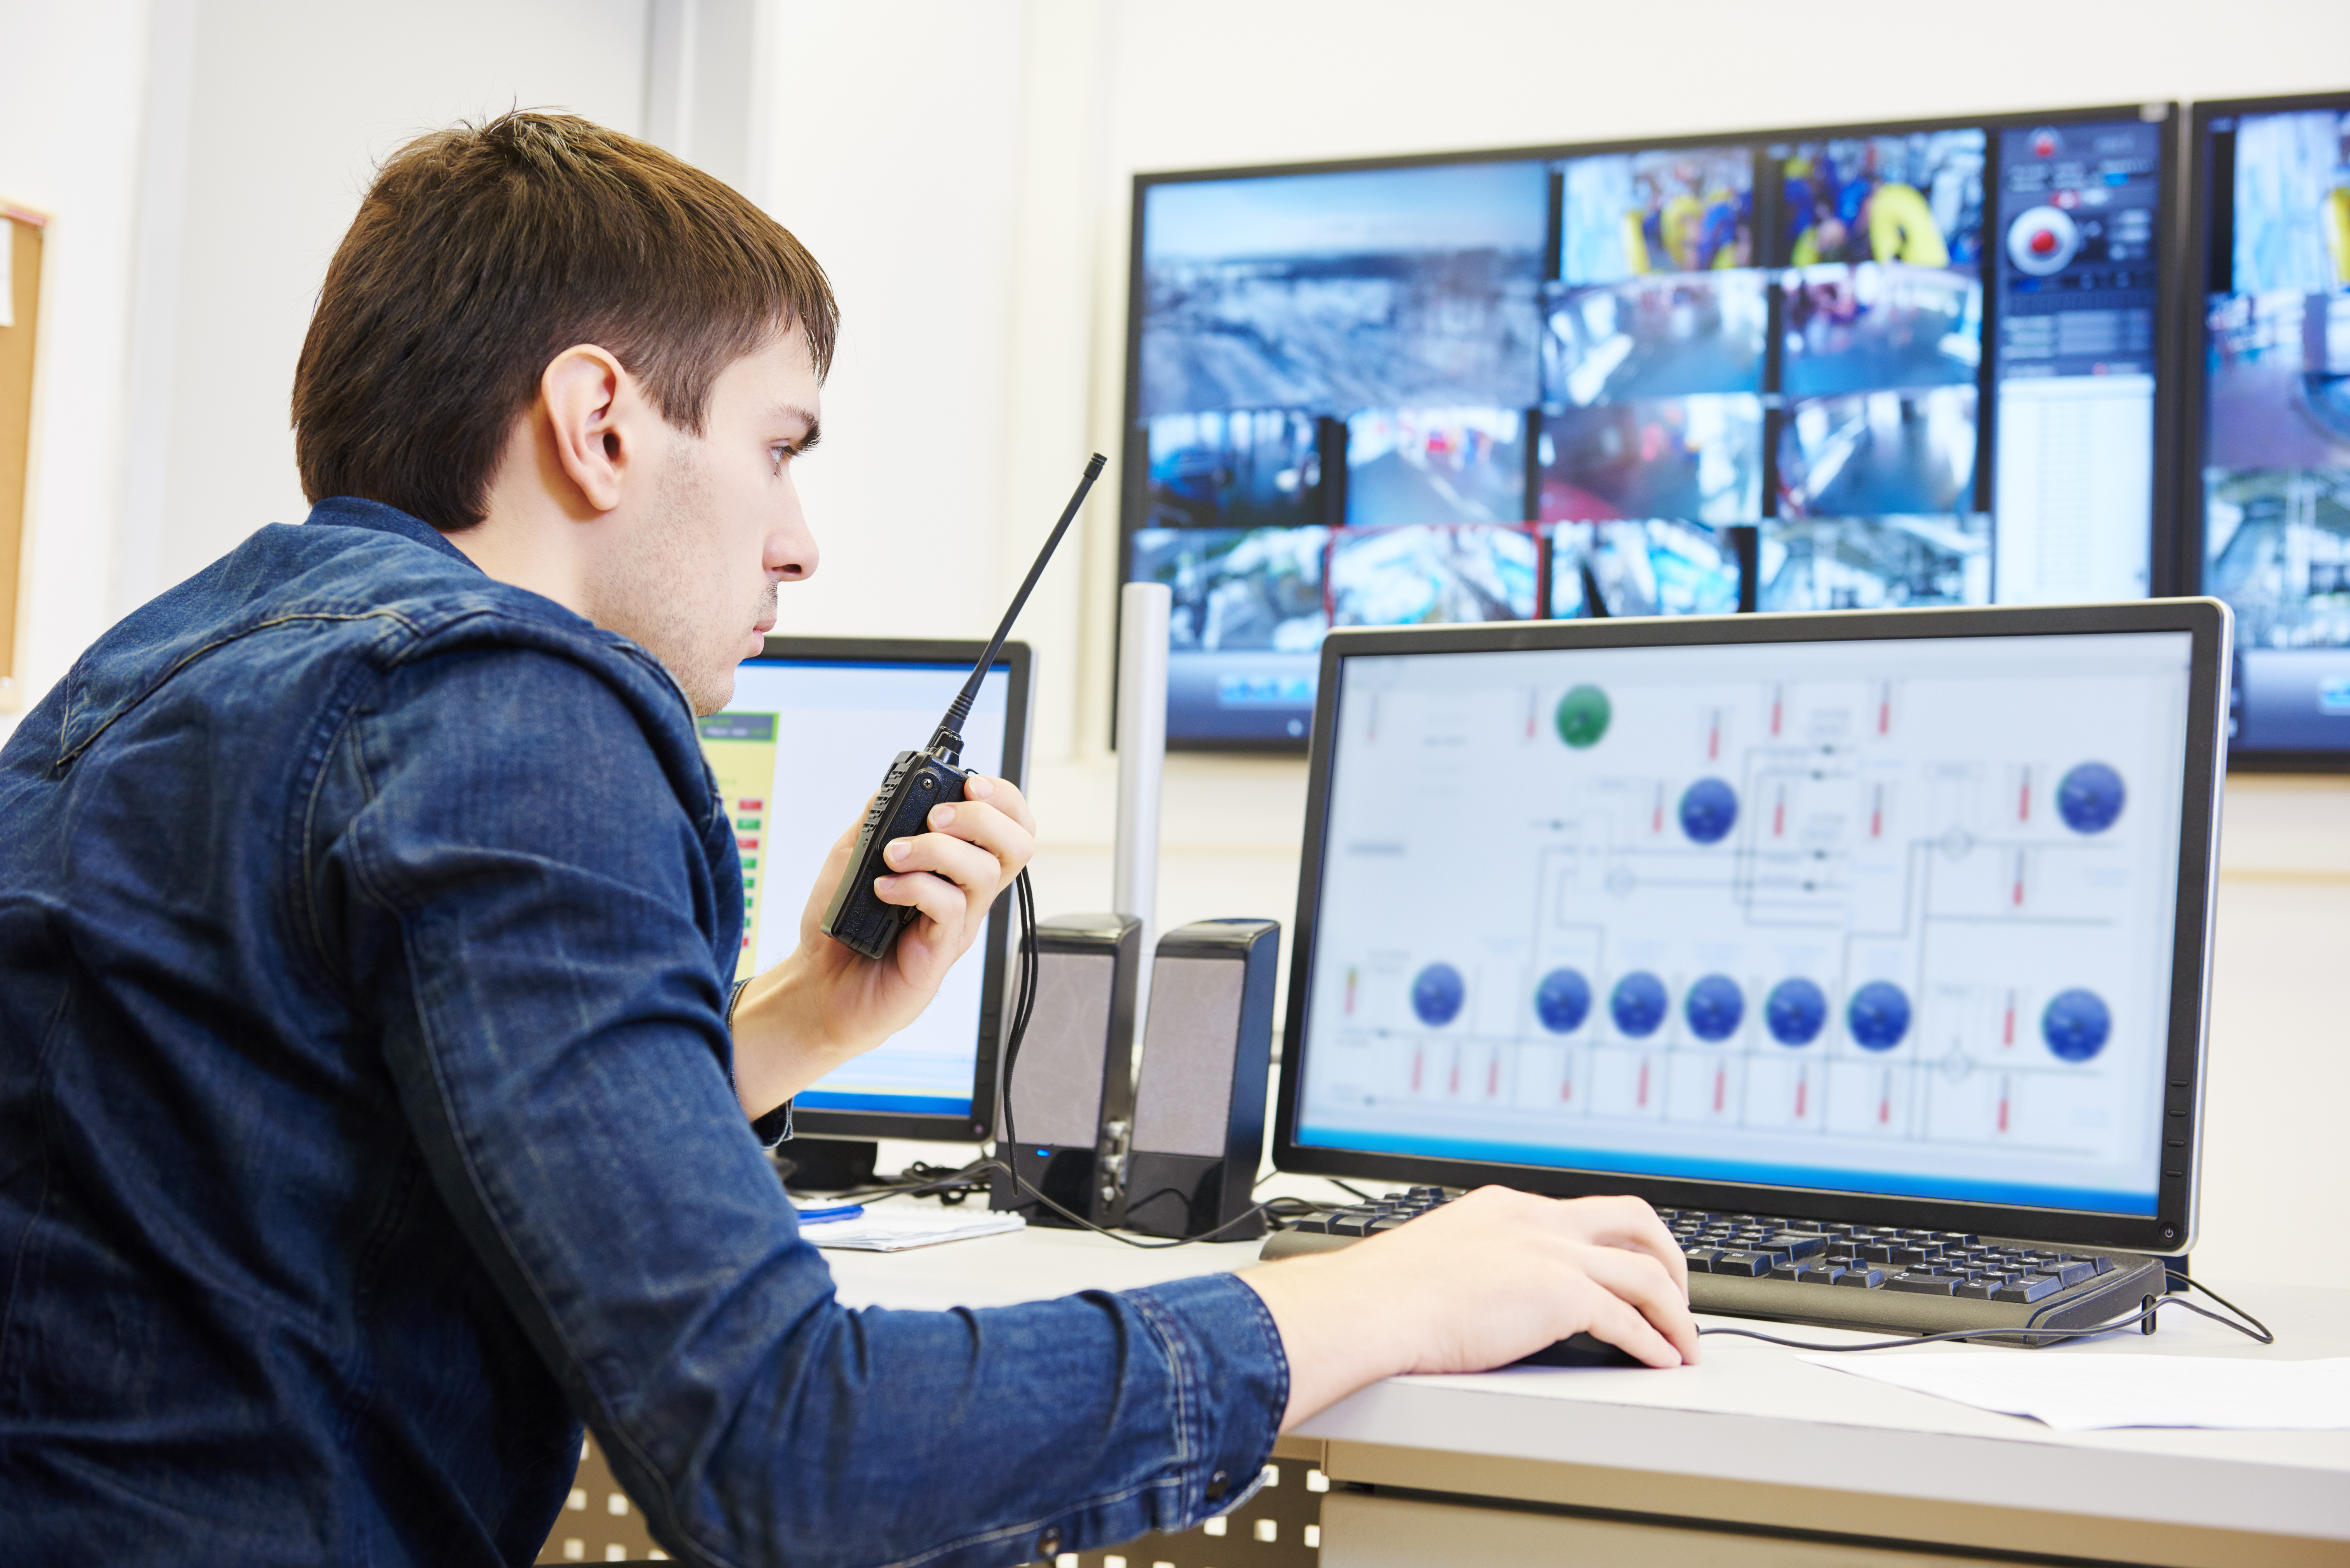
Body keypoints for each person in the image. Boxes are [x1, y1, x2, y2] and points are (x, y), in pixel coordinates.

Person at [0, 112, 1697, 1568]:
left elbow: (293, 1169)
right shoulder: (514, 707)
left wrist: (803, 1016)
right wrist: (1389, 1292)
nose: (799, 543)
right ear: (599, 423)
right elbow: (785, 1448)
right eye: (777, 449)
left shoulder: (151, 669)